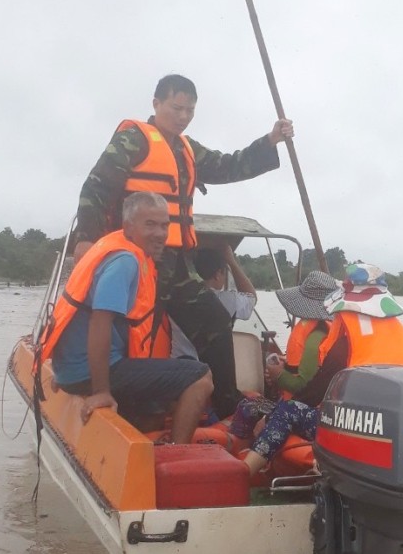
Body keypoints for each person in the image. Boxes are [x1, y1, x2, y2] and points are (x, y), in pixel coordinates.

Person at [72, 74, 294, 419]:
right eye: (177, 108)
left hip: (175, 261)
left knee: (215, 319)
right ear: (156, 104)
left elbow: (228, 165)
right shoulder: (134, 139)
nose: (183, 116)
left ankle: (226, 403)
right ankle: (118, 397)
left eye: (190, 110)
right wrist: (85, 239)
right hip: (135, 256)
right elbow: (96, 186)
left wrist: (271, 140)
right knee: (133, 328)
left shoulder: (188, 148)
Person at [39, 192, 213, 444]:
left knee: (177, 371)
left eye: (164, 225)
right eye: (150, 224)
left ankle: (150, 439)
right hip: (87, 372)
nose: (160, 233)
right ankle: (177, 453)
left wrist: (64, 369)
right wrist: (100, 391)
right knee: (200, 376)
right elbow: (100, 323)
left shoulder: (122, 249)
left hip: (75, 369)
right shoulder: (125, 261)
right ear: (129, 226)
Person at [239, 263, 403, 476]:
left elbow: (316, 391)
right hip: (391, 427)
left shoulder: (349, 340)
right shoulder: (402, 336)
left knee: (288, 411)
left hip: (353, 429)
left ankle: (245, 473)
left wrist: (269, 417)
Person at [230, 270, 339, 450]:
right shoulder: (323, 331)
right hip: (304, 403)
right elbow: (306, 369)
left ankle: (239, 453)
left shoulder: (315, 338)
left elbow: (303, 387)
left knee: (248, 407)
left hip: (306, 407)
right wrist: (285, 364)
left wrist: (277, 375)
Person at [170, 245, 257, 361]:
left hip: (179, 366)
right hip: (212, 369)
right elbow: (252, 297)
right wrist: (231, 261)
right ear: (217, 274)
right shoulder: (227, 300)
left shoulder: (175, 297)